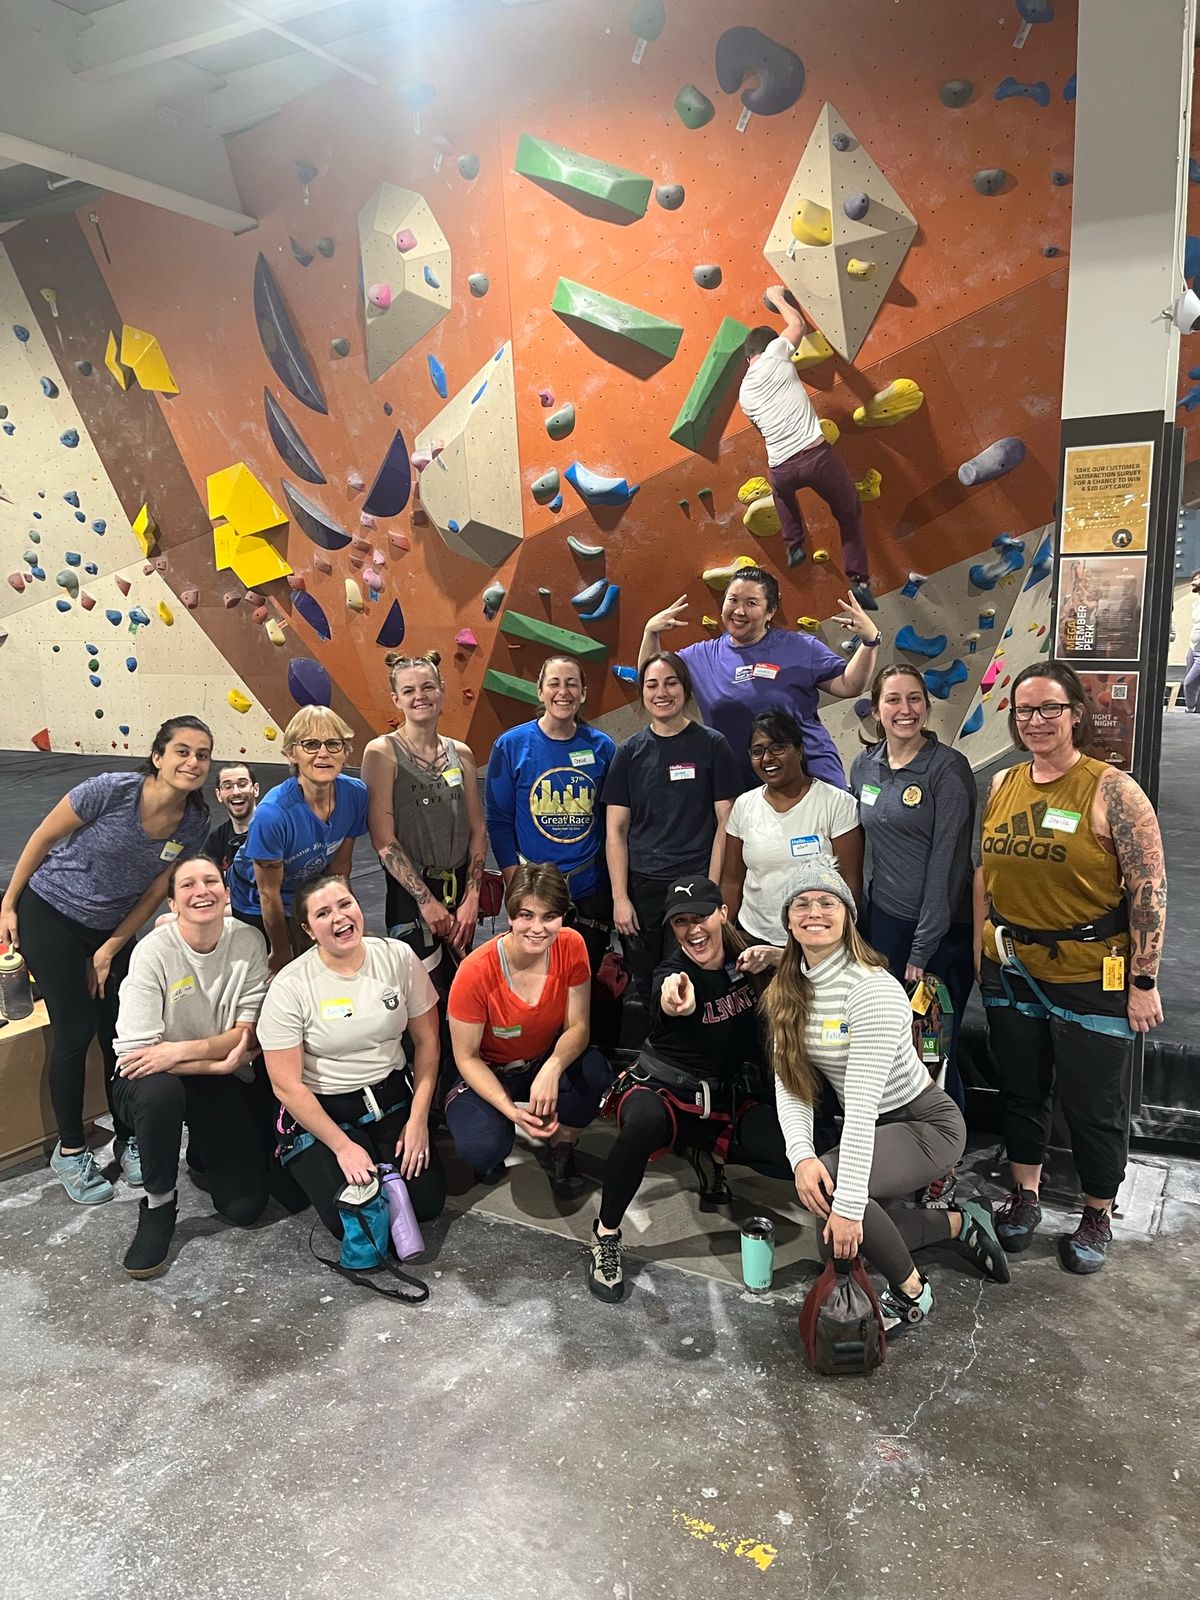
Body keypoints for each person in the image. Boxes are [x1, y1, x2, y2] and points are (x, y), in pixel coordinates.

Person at [975, 661, 1167, 1275]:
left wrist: (1143, 980)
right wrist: (985, 946)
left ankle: (1096, 1210)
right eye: (1025, 710)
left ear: (1076, 713)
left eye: (1049, 709)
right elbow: (987, 872)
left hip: (1091, 973)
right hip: (1011, 965)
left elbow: (1149, 889)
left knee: (1092, 1102)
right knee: (1021, 1089)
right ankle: (1025, 1193)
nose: (1035, 720)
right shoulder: (1004, 784)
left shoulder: (1112, 789)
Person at [766, 856, 1010, 1334]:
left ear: (848, 916)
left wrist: (849, 1205)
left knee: (836, 1195)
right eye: (802, 903)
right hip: (880, 1126)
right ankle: (960, 1224)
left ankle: (913, 1291)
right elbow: (789, 1084)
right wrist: (800, 1158)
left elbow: (859, 1106)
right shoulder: (788, 990)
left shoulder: (871, 988)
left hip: (926, 1125)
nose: (814, 911)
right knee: (833, 1235)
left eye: (827, 902)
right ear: (789, 920)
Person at [0, 716, 213, 1204]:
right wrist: (9, 904)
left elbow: (159, 889)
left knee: (123, 1034)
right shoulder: (111, 791)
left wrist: (111, 947)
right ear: (158, 757)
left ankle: (129, 1135)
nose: (193, 762)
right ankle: (71, 1149)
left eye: (202, 755)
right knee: (74, 1032)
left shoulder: (195, 823)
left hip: (109, 931)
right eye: (182, 751)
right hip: (50, 913)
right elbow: (41, 837)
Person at [586, 875, 792, 1304]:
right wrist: (673, 995)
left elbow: (822, 962)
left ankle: (706, 1152)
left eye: (700, 916)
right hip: (666, 1093)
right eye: (681, 922)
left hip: (726, 1100)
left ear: (723, 913)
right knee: (641, 1123)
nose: (693, 929)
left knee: (796, 1153)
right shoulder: (675, 971)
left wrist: (778, 957)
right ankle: (605, 1235)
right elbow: (669, 991)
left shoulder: (750, 956)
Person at [109, 856, 272, 1279]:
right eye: (187, 885)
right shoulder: (152, 953)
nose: (201, 890)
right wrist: (212, 1058)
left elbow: (247, 1037)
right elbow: (138, 1055)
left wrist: (181, 1053)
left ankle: (201, 1152)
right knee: (160, 1092)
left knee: (246, 1207)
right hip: (146, 1082)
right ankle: (158, 1206)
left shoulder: (249, 942)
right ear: (172, 904)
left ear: (227, 893)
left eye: (210, 881)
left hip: (209, 1072)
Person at [257, 876, 445, 1238]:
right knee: (358, 1224)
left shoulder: (397, 957)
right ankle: (294, 1158)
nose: (339, 917)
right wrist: (342, 1148)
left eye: (345, 904)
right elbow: (285, 1084)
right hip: (327, 1110)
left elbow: (428, 1042)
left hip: (391, 1099)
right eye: (323, 913)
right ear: (309, 930)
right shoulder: (291, 985)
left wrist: (419, 1119)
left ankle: (374, 1149)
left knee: (426, 1205)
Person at [850, 665, 976, 1110]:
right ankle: (900, 1145)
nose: (905, 710)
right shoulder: (864, 765)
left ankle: (942, 1158)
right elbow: (862, 848)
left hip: (937, 937)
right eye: (893, 700)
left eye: (914, 699)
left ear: (927, 704)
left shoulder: (947, 770)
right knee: (888, 1048)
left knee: (932, 1049)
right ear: (876, 709)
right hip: (882, 929)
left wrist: (922, 949)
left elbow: (949, 863)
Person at [444, 864, 612, 1199]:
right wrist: (512, 1112)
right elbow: (466, 1057)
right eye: (526, 915)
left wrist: (552, 1068)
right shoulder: (475, 971)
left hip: (539, 1059)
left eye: (549, 916)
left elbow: (578, 1026)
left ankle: (560, 1144)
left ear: (563, 916)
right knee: (482, 1148)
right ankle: (496, 1133)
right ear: (510, 916)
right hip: (489, 1070)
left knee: (595, 1072)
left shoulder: (571, 945)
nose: (538, 928)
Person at [639, 565, 881, 792]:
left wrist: (870, 641)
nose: (739, 611)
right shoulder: (700, 657)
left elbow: (850, 685)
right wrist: (650, 632)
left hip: (811, 775)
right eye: (732, 600)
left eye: (751, 603)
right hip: (745, 785)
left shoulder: (800, 647)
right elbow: (652, 682)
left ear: (770, 611)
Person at [603, 651, 741, 1006]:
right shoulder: (628, 753)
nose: (661, 692)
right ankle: (656, 1053)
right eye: (652, 685)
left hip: (695, 881)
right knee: (649, 982)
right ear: (642, 692)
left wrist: (710, 890)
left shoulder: (712, 745)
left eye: (671, 682)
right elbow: (616, 830)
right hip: (645, 887)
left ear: (685, 688)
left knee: (698, 977)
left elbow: (726, 820)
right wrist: (620, 898)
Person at [739, 283, 874, 602]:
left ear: (747, 360)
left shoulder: (744, 392)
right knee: (848, 512)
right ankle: (859, 580)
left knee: (781, 492)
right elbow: (797, 325)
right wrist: (775, 298)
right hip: (815, 456)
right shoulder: (776, 352)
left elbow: (761, 429)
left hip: (782, 467)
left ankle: (794, 542)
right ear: (772, 346)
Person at [360, 651, 486, 992]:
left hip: (459, 889)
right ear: (396, 699)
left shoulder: (461, 753)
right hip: (412, 894)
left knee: (461, 990)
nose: (420, 696)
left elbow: (477, 828)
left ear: (442, 690)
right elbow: (384, 840)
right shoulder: (382, 752)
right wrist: (426, 901)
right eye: (410, 690)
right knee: (423, 997)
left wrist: (472, 897)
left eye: (428, 687)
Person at [485, 656, 616, 975]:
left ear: (583, 693)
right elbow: (499, 820)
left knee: (583, 980)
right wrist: (513, 878)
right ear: (540, 691)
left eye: (572, 683)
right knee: (533, 980)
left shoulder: (602, 747)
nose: (563, 691)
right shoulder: (511, 745)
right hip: (533, 887)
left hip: (590, 888)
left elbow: (612, 820)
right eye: (554, 683)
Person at [228, 707, 368, 976]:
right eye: (311, 744)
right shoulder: (272, 815)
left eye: (333, 744)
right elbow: (268, 894)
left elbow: (339, 869)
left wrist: (343, 921)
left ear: (345, 751)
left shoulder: (355, 794)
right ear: (291, 754)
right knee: (278, 973)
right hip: (256, 899)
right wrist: (281, 950)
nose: (323, 753)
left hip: (304, 888)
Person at [722, 711, 862, 947]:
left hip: (817, 938)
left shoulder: (836, 803)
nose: (767, 757)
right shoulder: (744, 806)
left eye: (778, 747)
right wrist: (725, 933)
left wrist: (838, 939)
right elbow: (732, 880)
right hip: (755, 938)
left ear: (799, 750)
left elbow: (850, 883)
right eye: (758, 751)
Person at [205, 762, 260, 879]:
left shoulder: (275, 829)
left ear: (256, 789)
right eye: (228, 786)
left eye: (242, 784)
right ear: (219, 795)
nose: (236, 792)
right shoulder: (216, 840)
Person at [1183, 569, 1200, 712]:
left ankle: (1190, 710)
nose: (1192, 582)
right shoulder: (1196, 603)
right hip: (1192, 649)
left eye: (1196, 579)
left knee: (1189, 683)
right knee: (1193, 683)